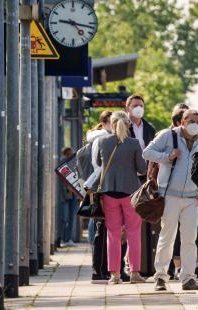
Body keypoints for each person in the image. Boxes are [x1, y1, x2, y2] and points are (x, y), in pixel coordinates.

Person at [143, 109, 198, 291]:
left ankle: (188, 278)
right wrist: (167, 157)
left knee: (189, 239)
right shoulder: (167, 136)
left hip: (191, 197)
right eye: (192, 120)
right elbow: (147, 153)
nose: (195, 123)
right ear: (183, 122)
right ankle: (161, 277)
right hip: (169, 195)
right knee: (167, 236)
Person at [95, 111, 148, 284]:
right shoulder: (134, 143)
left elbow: (97, 162)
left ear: (111, 123)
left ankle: (114, 275)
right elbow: (142, 169)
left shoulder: (102, 141)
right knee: (133, 233)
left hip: (109, 192)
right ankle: (134, 273)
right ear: (128, 124)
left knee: (113, 234)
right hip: (130, 193)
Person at [125, 94, 158, 278]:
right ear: (128, 108)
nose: (139, 108)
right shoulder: (122, 127)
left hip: (145, 179)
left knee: (142, 222)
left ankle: (141, 264)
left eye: (141, 105)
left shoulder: (149, 128)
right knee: (129, 223)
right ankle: (128, 264)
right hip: (128, 179)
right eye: (135, 105)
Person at [80, 111, 113, 283]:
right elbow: (98, 165)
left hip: (98, 186)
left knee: (101, 226)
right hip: (102, 187)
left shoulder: (97, 138)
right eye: (112, 121)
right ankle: (99, 269)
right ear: (105, 123)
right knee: (102, 228)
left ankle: (101, 269)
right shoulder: (101, 139)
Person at [59, 147, 77, 247]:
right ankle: (63, 238)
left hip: (73, 195)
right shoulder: (62, 165)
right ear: (65, 155)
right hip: (65, 196)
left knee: (70, 218)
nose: (71, 156)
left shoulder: (74, 164)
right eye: (69, 154)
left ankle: (68, 238)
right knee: (65, 218)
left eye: (72, 154)